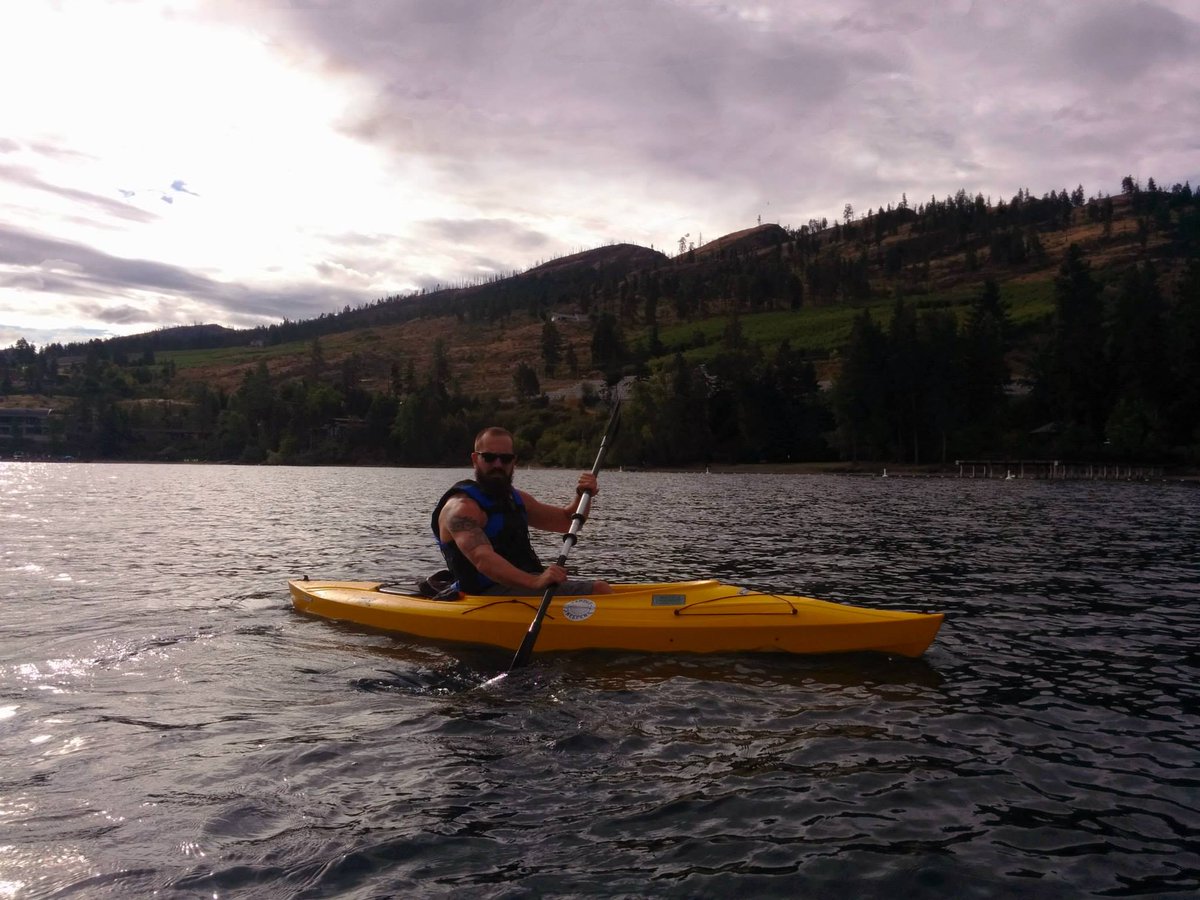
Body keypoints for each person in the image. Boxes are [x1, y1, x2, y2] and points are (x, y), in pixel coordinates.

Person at [431, 426, 613, 596]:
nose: (498, 464)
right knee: (600, 590)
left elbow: (567, 521)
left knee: (603, 587)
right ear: (475, 459)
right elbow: (482, 559)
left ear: (514, 461)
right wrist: (535, 581)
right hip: (484, 595)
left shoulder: (515, 499)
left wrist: (583, 495)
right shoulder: (461, 508)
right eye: (489, 457)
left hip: (522, 587)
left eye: (505, 459)